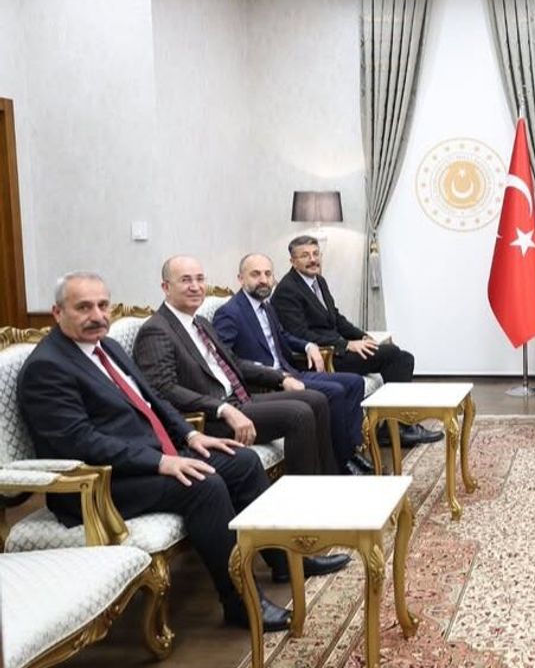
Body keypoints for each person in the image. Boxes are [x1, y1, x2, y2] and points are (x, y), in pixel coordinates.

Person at [16, 272, 339, 632]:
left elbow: (152, 400)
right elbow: (80, 442)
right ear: (57, 312)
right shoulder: (48, 367)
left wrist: (190, 435)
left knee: (243, 462)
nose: (97, 315)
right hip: (101, 484)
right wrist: (160, 461)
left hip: (149, 458)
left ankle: (285, 561)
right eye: (84, 307)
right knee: (204, 485)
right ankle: (240, 601)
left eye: (103, 305)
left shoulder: (107, 347)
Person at [133, 256, 342, 478]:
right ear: (166, 287)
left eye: (200, 279)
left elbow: (234, 362)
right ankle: (302, 493)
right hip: (212, 416)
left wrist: (281, 378)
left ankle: (329, 479)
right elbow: (164, 389)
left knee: (316, 399)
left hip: (239, 399)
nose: (195, 286)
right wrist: (222, 408)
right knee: (299, 414)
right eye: (186, 280)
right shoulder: (156, 330)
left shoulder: (200, 322)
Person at [272, 235, 440, 446]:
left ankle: (396, 426)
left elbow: (336, 318)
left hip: (337, 347)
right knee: (395, 356)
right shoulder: (287, 290)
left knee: (402, 356)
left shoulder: (318, 281)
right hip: (324, 356)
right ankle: (396, 428)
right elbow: (300, 334)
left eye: (315, 254)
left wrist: (361, 336)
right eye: (305, 256)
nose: (312, 259)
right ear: (293, 261)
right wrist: (346, 344)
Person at [214, 253, 372, 475]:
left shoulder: (266, 306)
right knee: (334, 391)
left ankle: (351, 451)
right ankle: (342, 463)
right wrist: (274, 376)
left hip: (290, 371)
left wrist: (307, 346)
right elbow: (225, 359)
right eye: (255, 274)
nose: (263, 280)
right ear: (241, 279)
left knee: (354, 382)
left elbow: (283, 336)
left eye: (268, 274)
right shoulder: (230, 313)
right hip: (266, 383)